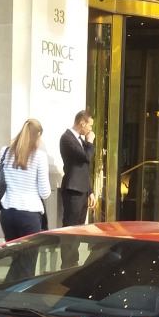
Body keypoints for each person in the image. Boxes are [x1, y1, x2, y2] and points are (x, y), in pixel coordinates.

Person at [0, 118, 51, 242]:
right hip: (29, 213)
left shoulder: (5, 152)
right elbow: (45, 192)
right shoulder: (40, 156)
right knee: (29, 258)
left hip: (7, 212)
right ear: (38, 135)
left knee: (14, 255)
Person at [58, 110, 96, 267]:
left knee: (79, 229)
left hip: (82, 189)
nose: (91, 130)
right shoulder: (67, 138)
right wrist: (91, 142)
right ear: (82, 123)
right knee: (70, 228)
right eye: (90, 125)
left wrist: (91, 191)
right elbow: (86, 157)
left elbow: (84, 168)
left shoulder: (80, 140)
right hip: (73, 189)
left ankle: (74, 262)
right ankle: (68, 263)